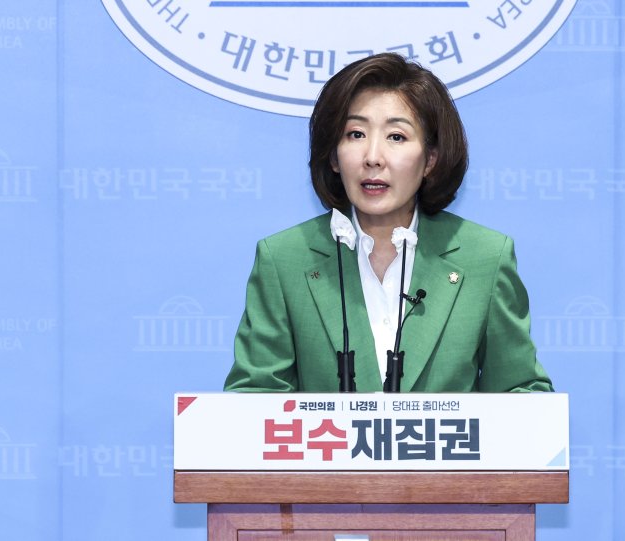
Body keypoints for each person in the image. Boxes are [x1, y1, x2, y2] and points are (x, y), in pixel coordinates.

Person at [224, 53, 552, 393]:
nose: (372, 158)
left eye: (396, 137)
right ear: (333, 156)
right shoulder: (284, 259)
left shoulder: (485, 257)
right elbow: (254, 397)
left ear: (430, 159)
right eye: (355, 134)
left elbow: (522, 396)